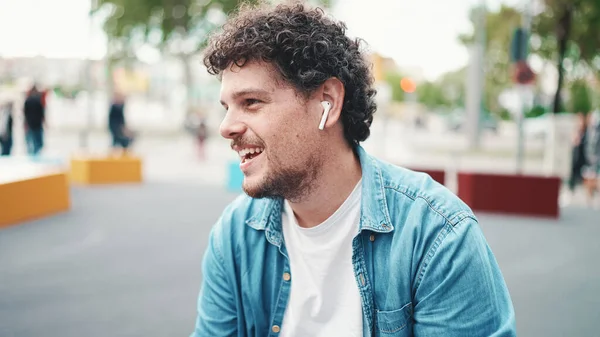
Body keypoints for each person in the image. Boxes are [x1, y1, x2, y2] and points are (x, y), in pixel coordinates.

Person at [191, 3, 516, 337]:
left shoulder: (436, 236)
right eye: (227, 107)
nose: (226, 127)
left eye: (251, 102)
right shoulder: (236, 235)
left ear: (327, 102)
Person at [23, 85, 45, 156]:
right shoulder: (38, 100)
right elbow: (42, 113)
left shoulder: (28, 100)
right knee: (37, 142)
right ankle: (35, 154)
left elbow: (25, 113)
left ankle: (33, 154)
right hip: (37, 124)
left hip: (31, 124)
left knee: (31, 142)